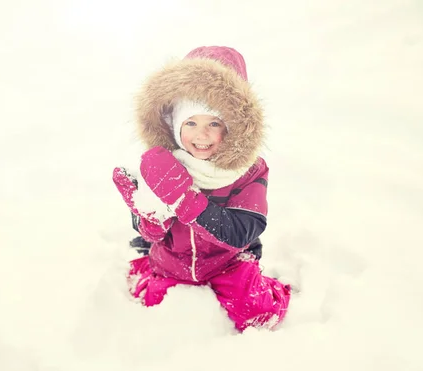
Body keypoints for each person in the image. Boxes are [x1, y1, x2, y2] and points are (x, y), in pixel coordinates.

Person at [112, 46, 291, 331]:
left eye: (214, 123)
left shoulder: (248, 170)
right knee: (151, 312)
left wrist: (186, 201)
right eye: (191, 122)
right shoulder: (162, 164)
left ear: (233, 128)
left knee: (256, 313)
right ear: (174, 126)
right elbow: (150, 233)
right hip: (172, 260)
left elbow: (243, 229)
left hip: (228, 262)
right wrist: (148, 215)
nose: (201, 134)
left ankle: (275, 290)